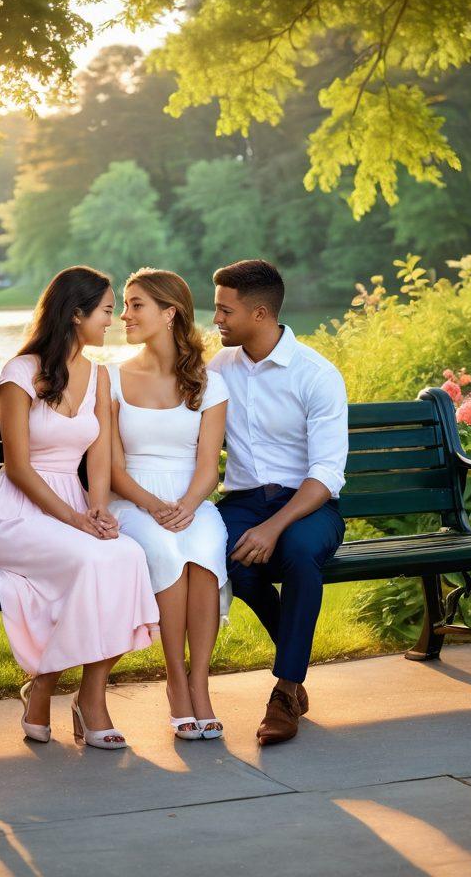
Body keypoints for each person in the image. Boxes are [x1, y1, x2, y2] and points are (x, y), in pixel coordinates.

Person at [0, 266, 160, 750]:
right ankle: (45, 687)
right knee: (94, 559)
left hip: (71, 509)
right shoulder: (20, 373)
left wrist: (97, 509)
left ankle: (89, 697)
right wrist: (75, 519)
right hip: (15, 513)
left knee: (128, 555)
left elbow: (98, 454)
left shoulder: (97, 375)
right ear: (76, 314)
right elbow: (17, 467)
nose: (112, 321)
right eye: (106, 310)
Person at [208, 259, 348, 746]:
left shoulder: (315, 374)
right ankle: (294, 658)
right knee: (226, 557)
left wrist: (274, 528)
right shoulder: (217, 369)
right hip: (244, 501)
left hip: (308, 505)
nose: (216, 320)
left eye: (225, 311)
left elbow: (327, 474)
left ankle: (285, 690)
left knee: (298, 555)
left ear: (260, 313)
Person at [107, 269, 231, 741]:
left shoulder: (207, 381)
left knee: (203, 549)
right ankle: (175, 682)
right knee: (164, 552)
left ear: (169, 312)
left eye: (136, 305)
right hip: (134, 500)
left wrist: (187, 504)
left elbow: (209, 468)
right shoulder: (113, 380)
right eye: (124, 304)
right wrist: (154, 506)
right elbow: (114, 469)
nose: (124, 314)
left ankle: (200, 683)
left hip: (191, 500)